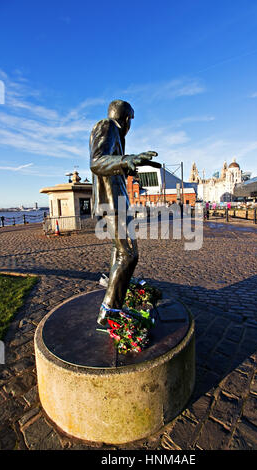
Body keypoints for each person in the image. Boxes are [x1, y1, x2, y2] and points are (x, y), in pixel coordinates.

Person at [89, 100, 160, 325]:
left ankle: (116, 296)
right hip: (113, 203)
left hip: (115, 202)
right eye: (131, 120)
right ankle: (109, 310)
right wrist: (126, 160)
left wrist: (130, 166)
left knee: (119, 251)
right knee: (129, 254)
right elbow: (97, 162)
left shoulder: (115, 134)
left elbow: (109, 166)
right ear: (127, 118)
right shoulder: (107, 126)